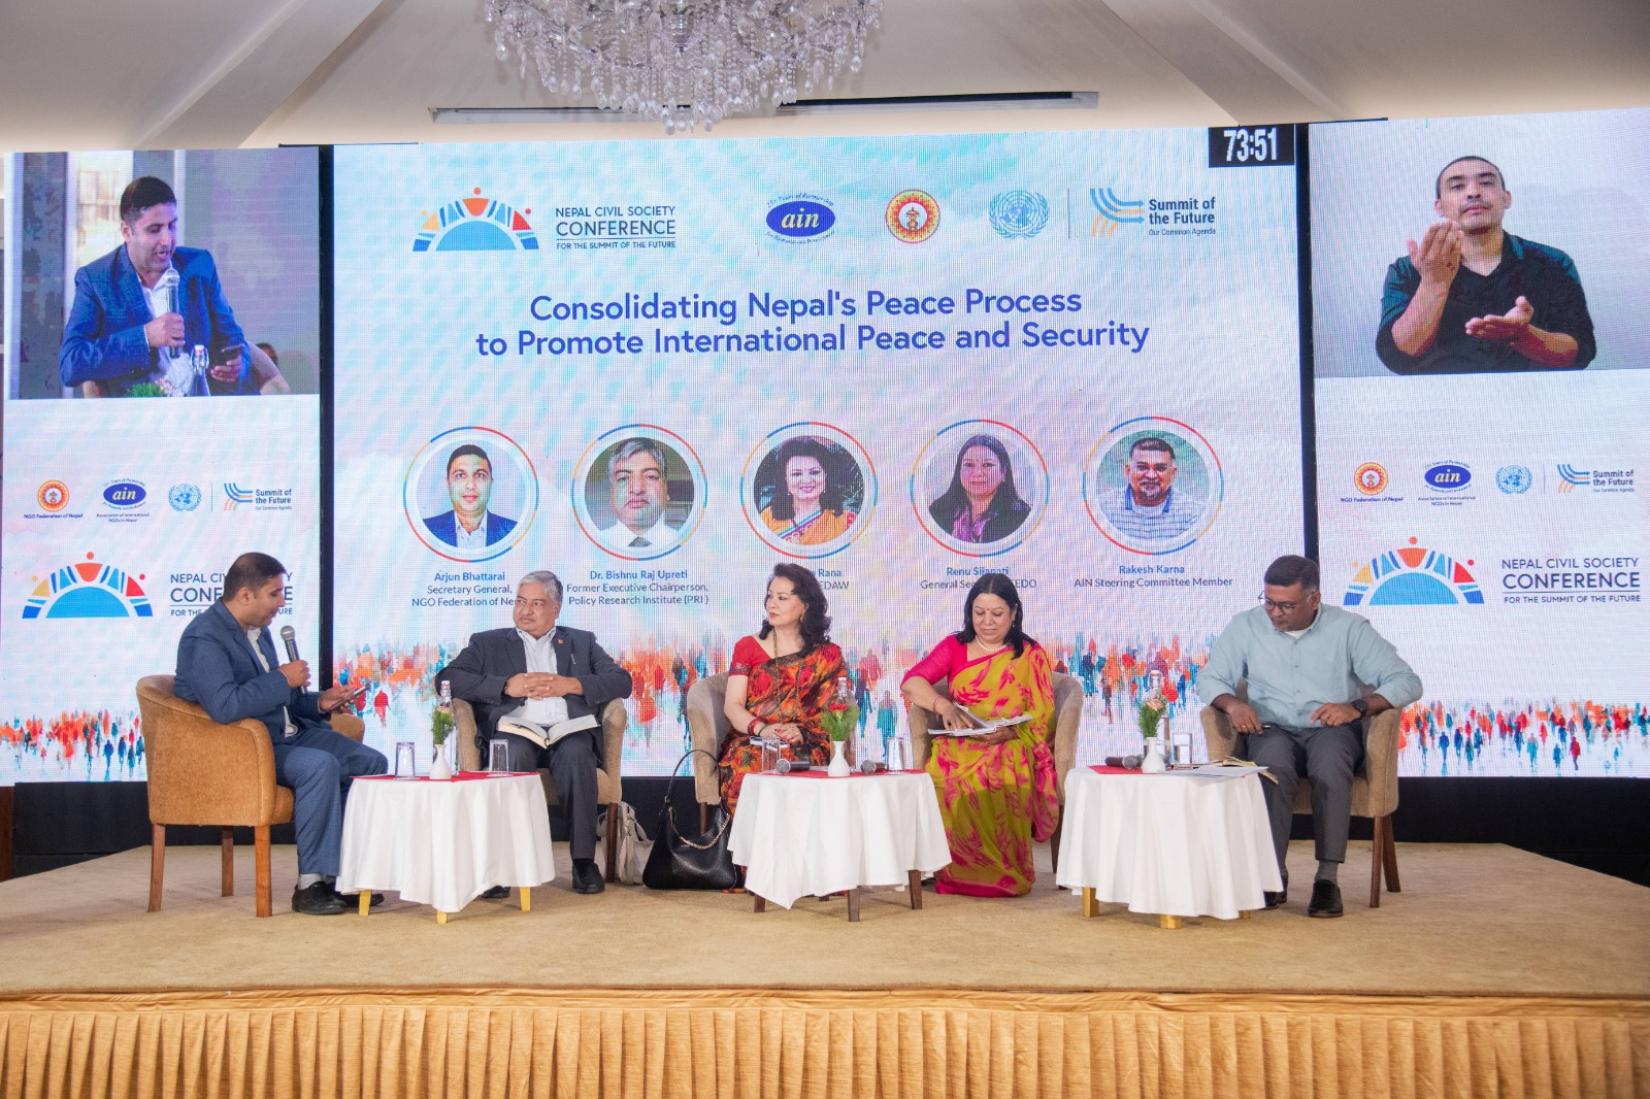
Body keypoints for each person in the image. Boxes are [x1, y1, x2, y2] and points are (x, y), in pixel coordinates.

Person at [1199, 555, 1423, 917]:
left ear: (1314, 599)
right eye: (1269, 602)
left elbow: (1407, 682)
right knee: (1272, 770)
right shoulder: (1245, 626)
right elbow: (1210, 678)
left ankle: (1326, 879)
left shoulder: (1349, 629)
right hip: (1271, 728)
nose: (1275, 613)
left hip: (1329, 730)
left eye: (1286, 605)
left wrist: (1359, 706)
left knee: (1330, 769)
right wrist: (1232, 705)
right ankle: (1273, 875)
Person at [173, 552, 387, 915]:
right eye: (274, 594)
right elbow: (225, 706)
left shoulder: (260, 633)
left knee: (370, 762)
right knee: (320, 766)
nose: (281, 603)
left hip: (286, 735)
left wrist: (320, 703)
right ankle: (311, 884)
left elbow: (282, 700)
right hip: (246, 748)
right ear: (245, 595)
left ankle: (344, 876)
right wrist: (280, 679)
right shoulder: (205, 637)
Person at [434, 570, 632, 894]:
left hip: (567, 729)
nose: (525, 611)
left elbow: (622, 681)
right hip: (516, 728)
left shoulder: (582, 642)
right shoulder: (488, 642)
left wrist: (573, 684)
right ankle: (500, 868)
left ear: (556, 607)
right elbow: (447, 678)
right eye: (520, 602)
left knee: (578, 754)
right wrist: (504, 686)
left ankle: (583, 861)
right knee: (510, 753)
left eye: (536, 603)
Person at [901, 573, 1060, 896]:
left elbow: (1042, 713)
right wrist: (943, 706)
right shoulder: (955, 646)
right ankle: (952, 871)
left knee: (1001, 766)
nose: (987, 622)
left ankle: (1002, 873)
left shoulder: (1030, 654)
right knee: (941, 771)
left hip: (1012, 742)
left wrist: (1008, 731)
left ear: (1014, 613)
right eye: (979, 613)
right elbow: (912, 682)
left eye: (997, 614)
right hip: (963, 740)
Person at [1376, 155, 1596, 375]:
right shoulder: (1409, 269)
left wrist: (1525, 337)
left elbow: (1579, 353)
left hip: (1534, 398)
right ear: (1439, 206)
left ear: (1506, 198)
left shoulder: (1552, 263)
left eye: (1486, 182)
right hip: (1441, 402)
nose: (1473, 192)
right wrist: (1433, 284)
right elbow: (1398, 356)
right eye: (1457, 186)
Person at [58, 176, 255, 398]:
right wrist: (145, 337)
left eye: (172, 226)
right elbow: (71, 364)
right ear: (126, 231)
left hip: (205, 409)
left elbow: (234, 339)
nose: (167, 240)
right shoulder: (97, 280)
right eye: (154, 229)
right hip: (140, 416)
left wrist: (237, 365)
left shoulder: (199, 266)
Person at [719, 564, 845, 816]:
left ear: (806, 605)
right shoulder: (748, 646)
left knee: (809, 766)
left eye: (782, 598)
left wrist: (802, 731)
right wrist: (763, 729)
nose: (771, 604)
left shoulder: (827, 655)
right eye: (770, 596)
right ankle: (756, 851)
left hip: (807, 741)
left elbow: (837, 710)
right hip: (755, 740)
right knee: (749, 767)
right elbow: (732, 705)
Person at [927, 434, 1032, 545]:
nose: (977, 473)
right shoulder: (938, 511)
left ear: (1004, 472)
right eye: (969, 465)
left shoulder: (1021, 518)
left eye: (987, 465)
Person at [1098, 436, 1204, 543]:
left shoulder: (1194, 514)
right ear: (1128, 470)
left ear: (1173, 473)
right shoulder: (1102, 508)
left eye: (1160, 468)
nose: (1151, 475)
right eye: (1142, 467)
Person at [758, 437, 857, 546]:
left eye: (814, 472)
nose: (807, 480)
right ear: (785, 478)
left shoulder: (847, 522)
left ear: (825, 475)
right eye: (796, 474)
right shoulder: (766, 519)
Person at [423, 444, 518, 549]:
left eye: (480, 475)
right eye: (460, 476)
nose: (470, 485)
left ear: (491, 483)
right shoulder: (425, 530)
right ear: (448, 483)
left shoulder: (515, 532)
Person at [597, 438, 682, 552]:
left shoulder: (690, 546)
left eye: (651, 476)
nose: (637, 489)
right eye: (623, 478)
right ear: (611, 494)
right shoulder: (589, 547)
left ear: (666, 490)